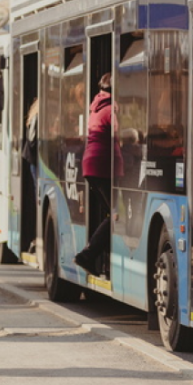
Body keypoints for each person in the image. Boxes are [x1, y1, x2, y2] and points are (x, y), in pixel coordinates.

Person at [74, 73, 123, 276]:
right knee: (116, 215)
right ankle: (88, 255)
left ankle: (101, 261)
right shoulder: (111, 109)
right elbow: (118, 133)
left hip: (91, 166)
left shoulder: (96, 107)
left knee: (110, 213)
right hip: (104, 165)